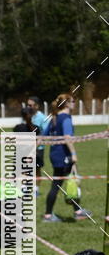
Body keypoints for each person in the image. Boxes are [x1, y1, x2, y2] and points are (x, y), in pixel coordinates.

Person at [42, 93, 90, 221]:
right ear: (67, 104)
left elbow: (45, 136)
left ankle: (77, 211)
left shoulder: (54, 118)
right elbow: (68, 138)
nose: (74, 103)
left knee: (70, 181)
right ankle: (48, 215)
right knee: (58, 184)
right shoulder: (65, 118)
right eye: (73, 101)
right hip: (64, 156)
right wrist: (73, 154)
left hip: (54, 155)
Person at [27, 96, 48, 191]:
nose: (29, 107)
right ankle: (26, 188)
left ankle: (36, 189)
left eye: (31, 105)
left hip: (38, 148)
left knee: (36, 169)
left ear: (37, 106)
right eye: (28, 105)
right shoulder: (27, 116)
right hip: (26, 147)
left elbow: (45, 133)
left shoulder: (42, 117)